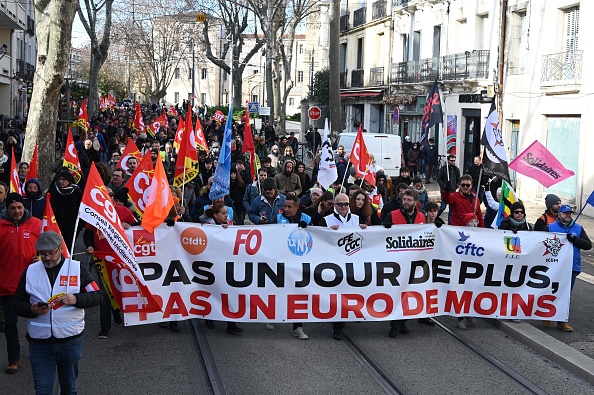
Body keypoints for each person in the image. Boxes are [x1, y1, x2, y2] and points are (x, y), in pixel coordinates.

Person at [12, 231, 101, 392]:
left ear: (60, 249)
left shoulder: (76, 268)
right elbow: (16, 302)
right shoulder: (30, 271)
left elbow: (97, 295)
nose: (47, 258)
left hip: (70, 341)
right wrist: (30, 309)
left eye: (51, 253)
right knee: (43, 389)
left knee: (69, 387)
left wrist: (76, 299)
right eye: (42, 254)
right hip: (39, 343)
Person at [83, 187, 136, 339]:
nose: (108, 197)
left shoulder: (124, 211)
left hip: (122, 259)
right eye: (104, 195)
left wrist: (129, 227)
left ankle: (116, 312)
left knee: (122, 289)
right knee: (105, 293)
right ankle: (104, 327)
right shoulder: (93, 213)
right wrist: (89, 246)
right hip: (102, 259)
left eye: (110, 195)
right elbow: (87, 234)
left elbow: (139, 229)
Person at [0, 193, 42, 373]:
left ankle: (38, 351)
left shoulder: (37, 224)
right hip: (7, 285)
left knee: (35, 321)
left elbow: (50, 248)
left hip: (32, 284)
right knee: (10, 324)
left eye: (19, 207)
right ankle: (13, 359)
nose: (16, 211)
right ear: (6, 209)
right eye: (12, 208)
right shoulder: (0, 226)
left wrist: (40, 257)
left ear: (24, 207)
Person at [382, 188, 429, 336]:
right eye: (404, 199)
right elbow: (379, 235)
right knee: (396, 292)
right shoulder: (392, 215)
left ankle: (402, 322)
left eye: (409, 200)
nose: (405, 202)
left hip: (414, 262)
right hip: (396, 262)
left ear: (416, 202)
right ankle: (395, 324)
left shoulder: (421, 217)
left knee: (409, 293)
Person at [321, 193, 366, 340]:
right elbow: (320, 240)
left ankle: (350, 315)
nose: (344, 207)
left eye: (346, 204)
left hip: (353, 263)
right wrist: (328, 232)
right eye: (341, 204)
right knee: (338, 295)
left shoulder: (356, 219)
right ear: (335, 205)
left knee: (352, 292)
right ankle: (338, 326)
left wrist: (365, 229)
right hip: (335, 264)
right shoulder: (327, 220)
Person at [544, 205, 592, 332]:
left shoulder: (578, 228)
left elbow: (588, 245)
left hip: (571, 267)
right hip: (554, 266)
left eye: (570, 213)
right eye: (565, 213)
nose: (568, 216)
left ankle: (561, 321)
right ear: (559, 214)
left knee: (566, 295)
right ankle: (546, 315)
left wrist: (575, 239)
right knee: (550, 291)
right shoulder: (550, 228)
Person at [275, 195, 310, 340]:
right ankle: (273, 316)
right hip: (282, 261)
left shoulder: (307, 219)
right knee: (279, 291)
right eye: (285, 206)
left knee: (298, 294)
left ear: (297, 206)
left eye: (289, 206)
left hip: (300, 262)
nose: (286, 209)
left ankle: (298, 326)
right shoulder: (278, 218)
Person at [49, 169, 83, 246]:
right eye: (60, 179)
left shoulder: (76, 191)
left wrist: (80, 225)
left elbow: (80, 207)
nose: (61, 181)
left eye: (64, 179)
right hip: (56, 224)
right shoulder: (53, 191)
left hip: (71, 225)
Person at [437, 154, 461, 219]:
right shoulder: (443, 169)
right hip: (445, 191)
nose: (453, 162)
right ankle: (435, 217)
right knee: (443, 207)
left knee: (451, 209)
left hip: (453, 192)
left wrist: (456, 185)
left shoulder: (456, 169)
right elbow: (439, 179)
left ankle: (450, 223)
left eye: (454, 161)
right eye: (451, 161)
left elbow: (459, 179)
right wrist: (445, 187)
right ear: (448, 161)